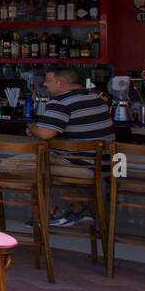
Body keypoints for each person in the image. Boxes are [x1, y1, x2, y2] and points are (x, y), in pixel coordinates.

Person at [26, 65, 115, 228]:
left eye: (48, 81)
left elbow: (44, 134)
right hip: (106, 165)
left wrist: (32, 127)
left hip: (82, 166)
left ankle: (49, 213)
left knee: (16, 164)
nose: (45, 85)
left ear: (61, 83)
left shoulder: (60, 101)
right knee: (55, 160)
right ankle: (80, 210)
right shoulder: (96, 98)